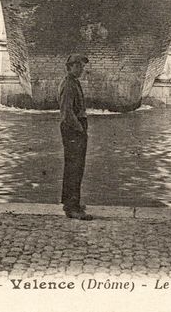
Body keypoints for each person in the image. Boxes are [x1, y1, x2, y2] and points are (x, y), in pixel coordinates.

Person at [59, 53, 93, 220]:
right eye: (78, 66)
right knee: (74, 167)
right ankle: (72, 207)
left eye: (82, 66)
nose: (81, 69)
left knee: (76, 167)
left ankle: (72, 202)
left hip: (76, 129)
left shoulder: (74, 83)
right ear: (69, 67)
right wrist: (80, 129)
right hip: (73, 130)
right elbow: (67, 113)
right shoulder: (68, 85)